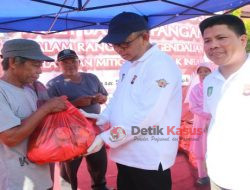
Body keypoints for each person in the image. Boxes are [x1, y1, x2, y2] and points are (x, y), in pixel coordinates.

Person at [86, 12, 182, 190]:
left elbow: (148, 116)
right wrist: (102, 118)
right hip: (125, 154)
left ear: (145, 36)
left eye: (125, 44)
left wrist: (105, 137)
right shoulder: (127, 65)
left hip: (148, 157)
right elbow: (118, 98)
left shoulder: (160, 65)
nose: (120, 50)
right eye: (115, 45)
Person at [0, 39, 67, 190]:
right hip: (16, 183)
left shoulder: (30, 91)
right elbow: (10, 138)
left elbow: (38, 127)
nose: (40, 71)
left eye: (40, 66)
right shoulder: (2, 91)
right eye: (35, 65)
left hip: (42, 179)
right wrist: (45, 109)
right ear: (13, 62)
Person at [46, 49, 109, 190]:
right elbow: (49, 111)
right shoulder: (53, 85)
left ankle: (100, 186)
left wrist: (100, 98)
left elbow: (104, 96)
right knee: (68, 172)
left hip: (94, 130)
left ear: (79, 62)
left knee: (99, 165)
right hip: (69, 133)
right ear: (58, 65)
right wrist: (75, 104)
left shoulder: (92, 78)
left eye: (73, 61)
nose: (70, 65)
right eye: (65, 62)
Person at [199, 15, 250, 190]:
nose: (213, 45)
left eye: (221, 38)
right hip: (218, 174)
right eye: (207, 40)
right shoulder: (209, 80)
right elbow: (213, 120)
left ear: (243, 40)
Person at [188, 63, 212, 185]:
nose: (203, 74)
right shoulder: (195, 89)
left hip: (215, 123)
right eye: (200, 72)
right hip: (200, 123)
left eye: (206, 71)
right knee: (200, 150)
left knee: (213, 148)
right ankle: (202, 175)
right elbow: (193, 107)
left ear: (212, 72)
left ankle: (214, 174)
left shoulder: (218, 87)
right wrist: (208, 114)